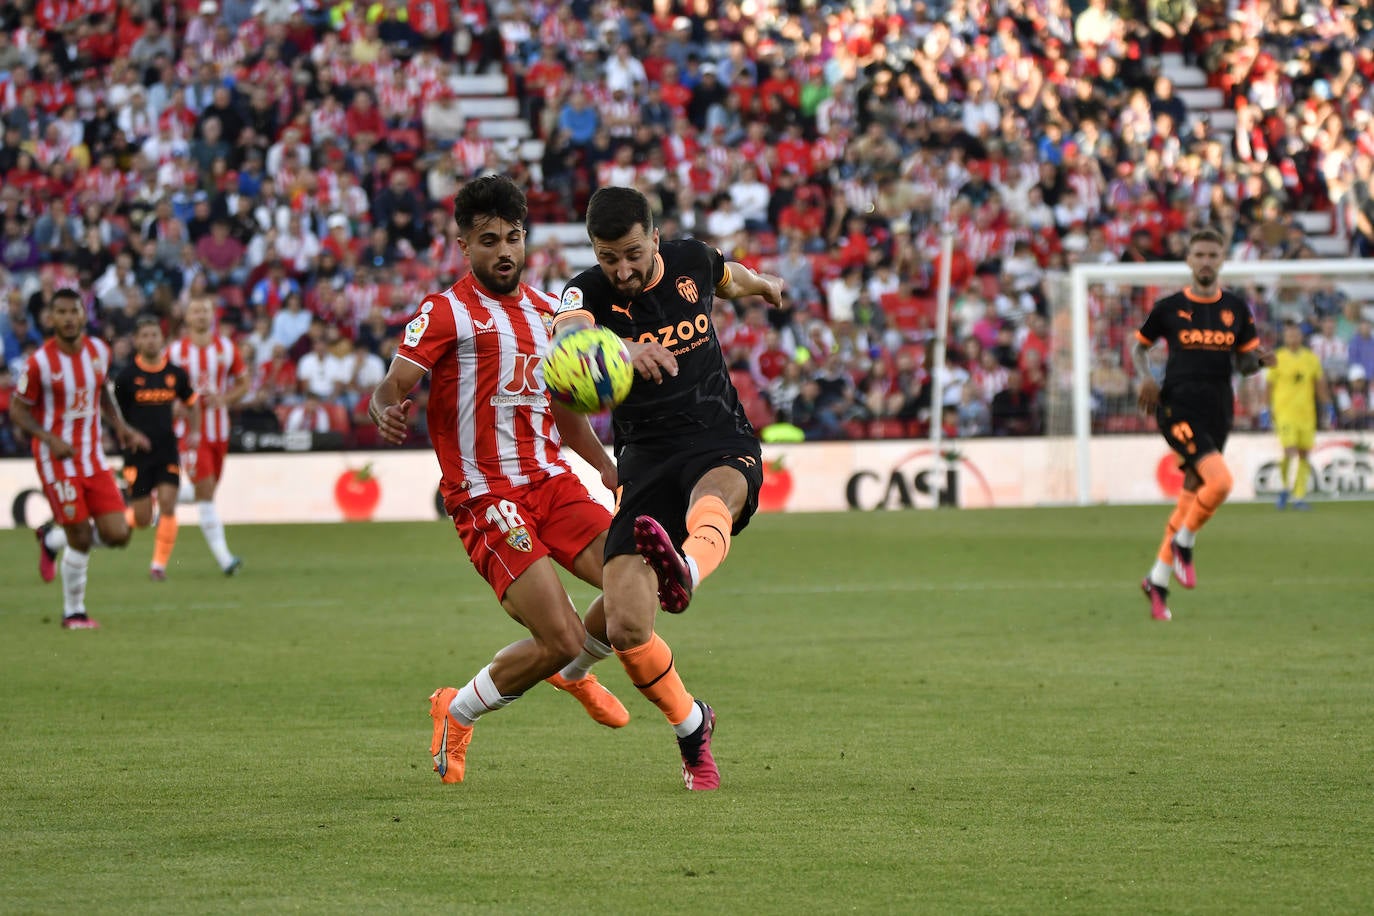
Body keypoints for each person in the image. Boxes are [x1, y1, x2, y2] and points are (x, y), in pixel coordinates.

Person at [368, 175, 629, 785]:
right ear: (464, 245)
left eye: (514, 238)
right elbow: (394, 383)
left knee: (633, 586)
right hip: (487, 497)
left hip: (554, 483)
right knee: (560, 636)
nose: (504, 251)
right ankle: (456, 712)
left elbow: (566, 414)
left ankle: (573, 674)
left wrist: (605, 466)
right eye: (489, 241)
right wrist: (385, 406)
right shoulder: (444, 313)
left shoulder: (548, 315)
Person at [553, 186, 784, 790]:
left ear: (655, 239)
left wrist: (762, 284)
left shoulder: (691, 259)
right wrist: (623, 349)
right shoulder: (585, 292)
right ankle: (692, 727)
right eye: (609, 258)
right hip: (645, 460)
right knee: (629, 625)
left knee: (720, 495)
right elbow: (567, 339)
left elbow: (728, 276)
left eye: (632, 254)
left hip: (716, 435)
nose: (622, 271)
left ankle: (685, 571)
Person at [1133, 228, 1274, 622]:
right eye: (1200, 254)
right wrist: (1142, 378)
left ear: (1222, 259)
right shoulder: (1168, 308)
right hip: (1177, 406)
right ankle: (1185, 544)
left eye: (1213, 254)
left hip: (1218, 410)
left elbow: (1244, 366)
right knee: (1222, 483)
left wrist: (1258, 361)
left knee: (1193, 494)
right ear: (1189, 260)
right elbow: (1138, 347)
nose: (1207, 261)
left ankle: (1157, 581)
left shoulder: (1237, 310)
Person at [9, 289, 151, 629]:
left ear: (83, 315)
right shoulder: (39, 362)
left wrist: (123, 428)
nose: (69, 318)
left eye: (74, 311)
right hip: (56, 460)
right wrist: (48, 438)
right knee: (82, 538)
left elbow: (102, 392)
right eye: (61, 312)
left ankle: (50, 538)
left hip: (93, 459)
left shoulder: (99, 351)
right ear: (51, 318)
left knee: (119, 534)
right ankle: (74, 613)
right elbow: (18, 410)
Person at [114, 316, 202, 580]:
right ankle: (119, 522)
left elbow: (192, 402)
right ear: (137, 341)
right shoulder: (127, 377)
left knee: (168, 503)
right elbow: (113, 414)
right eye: (145, 335)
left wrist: (195, 431)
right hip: (137, 454)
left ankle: (158, 566)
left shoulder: (175, 374)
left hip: (166, 449)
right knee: (142, 518)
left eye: (154, 334)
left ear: (161, 339)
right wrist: (128, 435)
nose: (150, 340)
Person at [167, 298, 248, 575]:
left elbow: (244, 383)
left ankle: (158, 495)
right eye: (195, 310)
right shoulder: (176, 351)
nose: (200, 315)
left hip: (219, 431)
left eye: (205, 310)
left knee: (207, 491)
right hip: (189, 432)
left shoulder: (226, 348)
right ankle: (226, 560)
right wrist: (173, 404)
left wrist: (224, 398)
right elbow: (162, 386)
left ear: (212, 316)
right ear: (187, 318)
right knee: (205, 490)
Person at [1267, 320, 1331, 510]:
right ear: (1285, 338)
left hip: (1306, 413)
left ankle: (1298, 496)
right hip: (1284, 412)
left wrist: (1328, 406)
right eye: (1289, 334)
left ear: (1301, 337)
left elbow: (1319, 385)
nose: (1293, 337)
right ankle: (1285, 487)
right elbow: (1269, 386)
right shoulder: (1277, 357)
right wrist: (1265, 409)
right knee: (1289, 450)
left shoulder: (1311, 359)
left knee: (1304, 454)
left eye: (1295, 334)